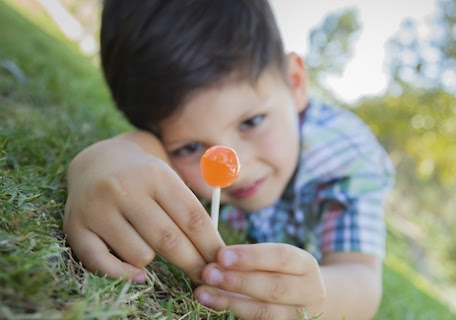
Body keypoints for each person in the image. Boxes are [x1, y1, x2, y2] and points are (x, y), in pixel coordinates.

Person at [63, 0, 395, 318]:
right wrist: (97, 162)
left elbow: (361, 276)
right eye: (191, 147)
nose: (234, 172)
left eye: (251, 122)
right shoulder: (169, 138)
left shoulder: (348, 159)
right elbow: (140, 152)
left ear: (294, 83)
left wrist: (319, 295)